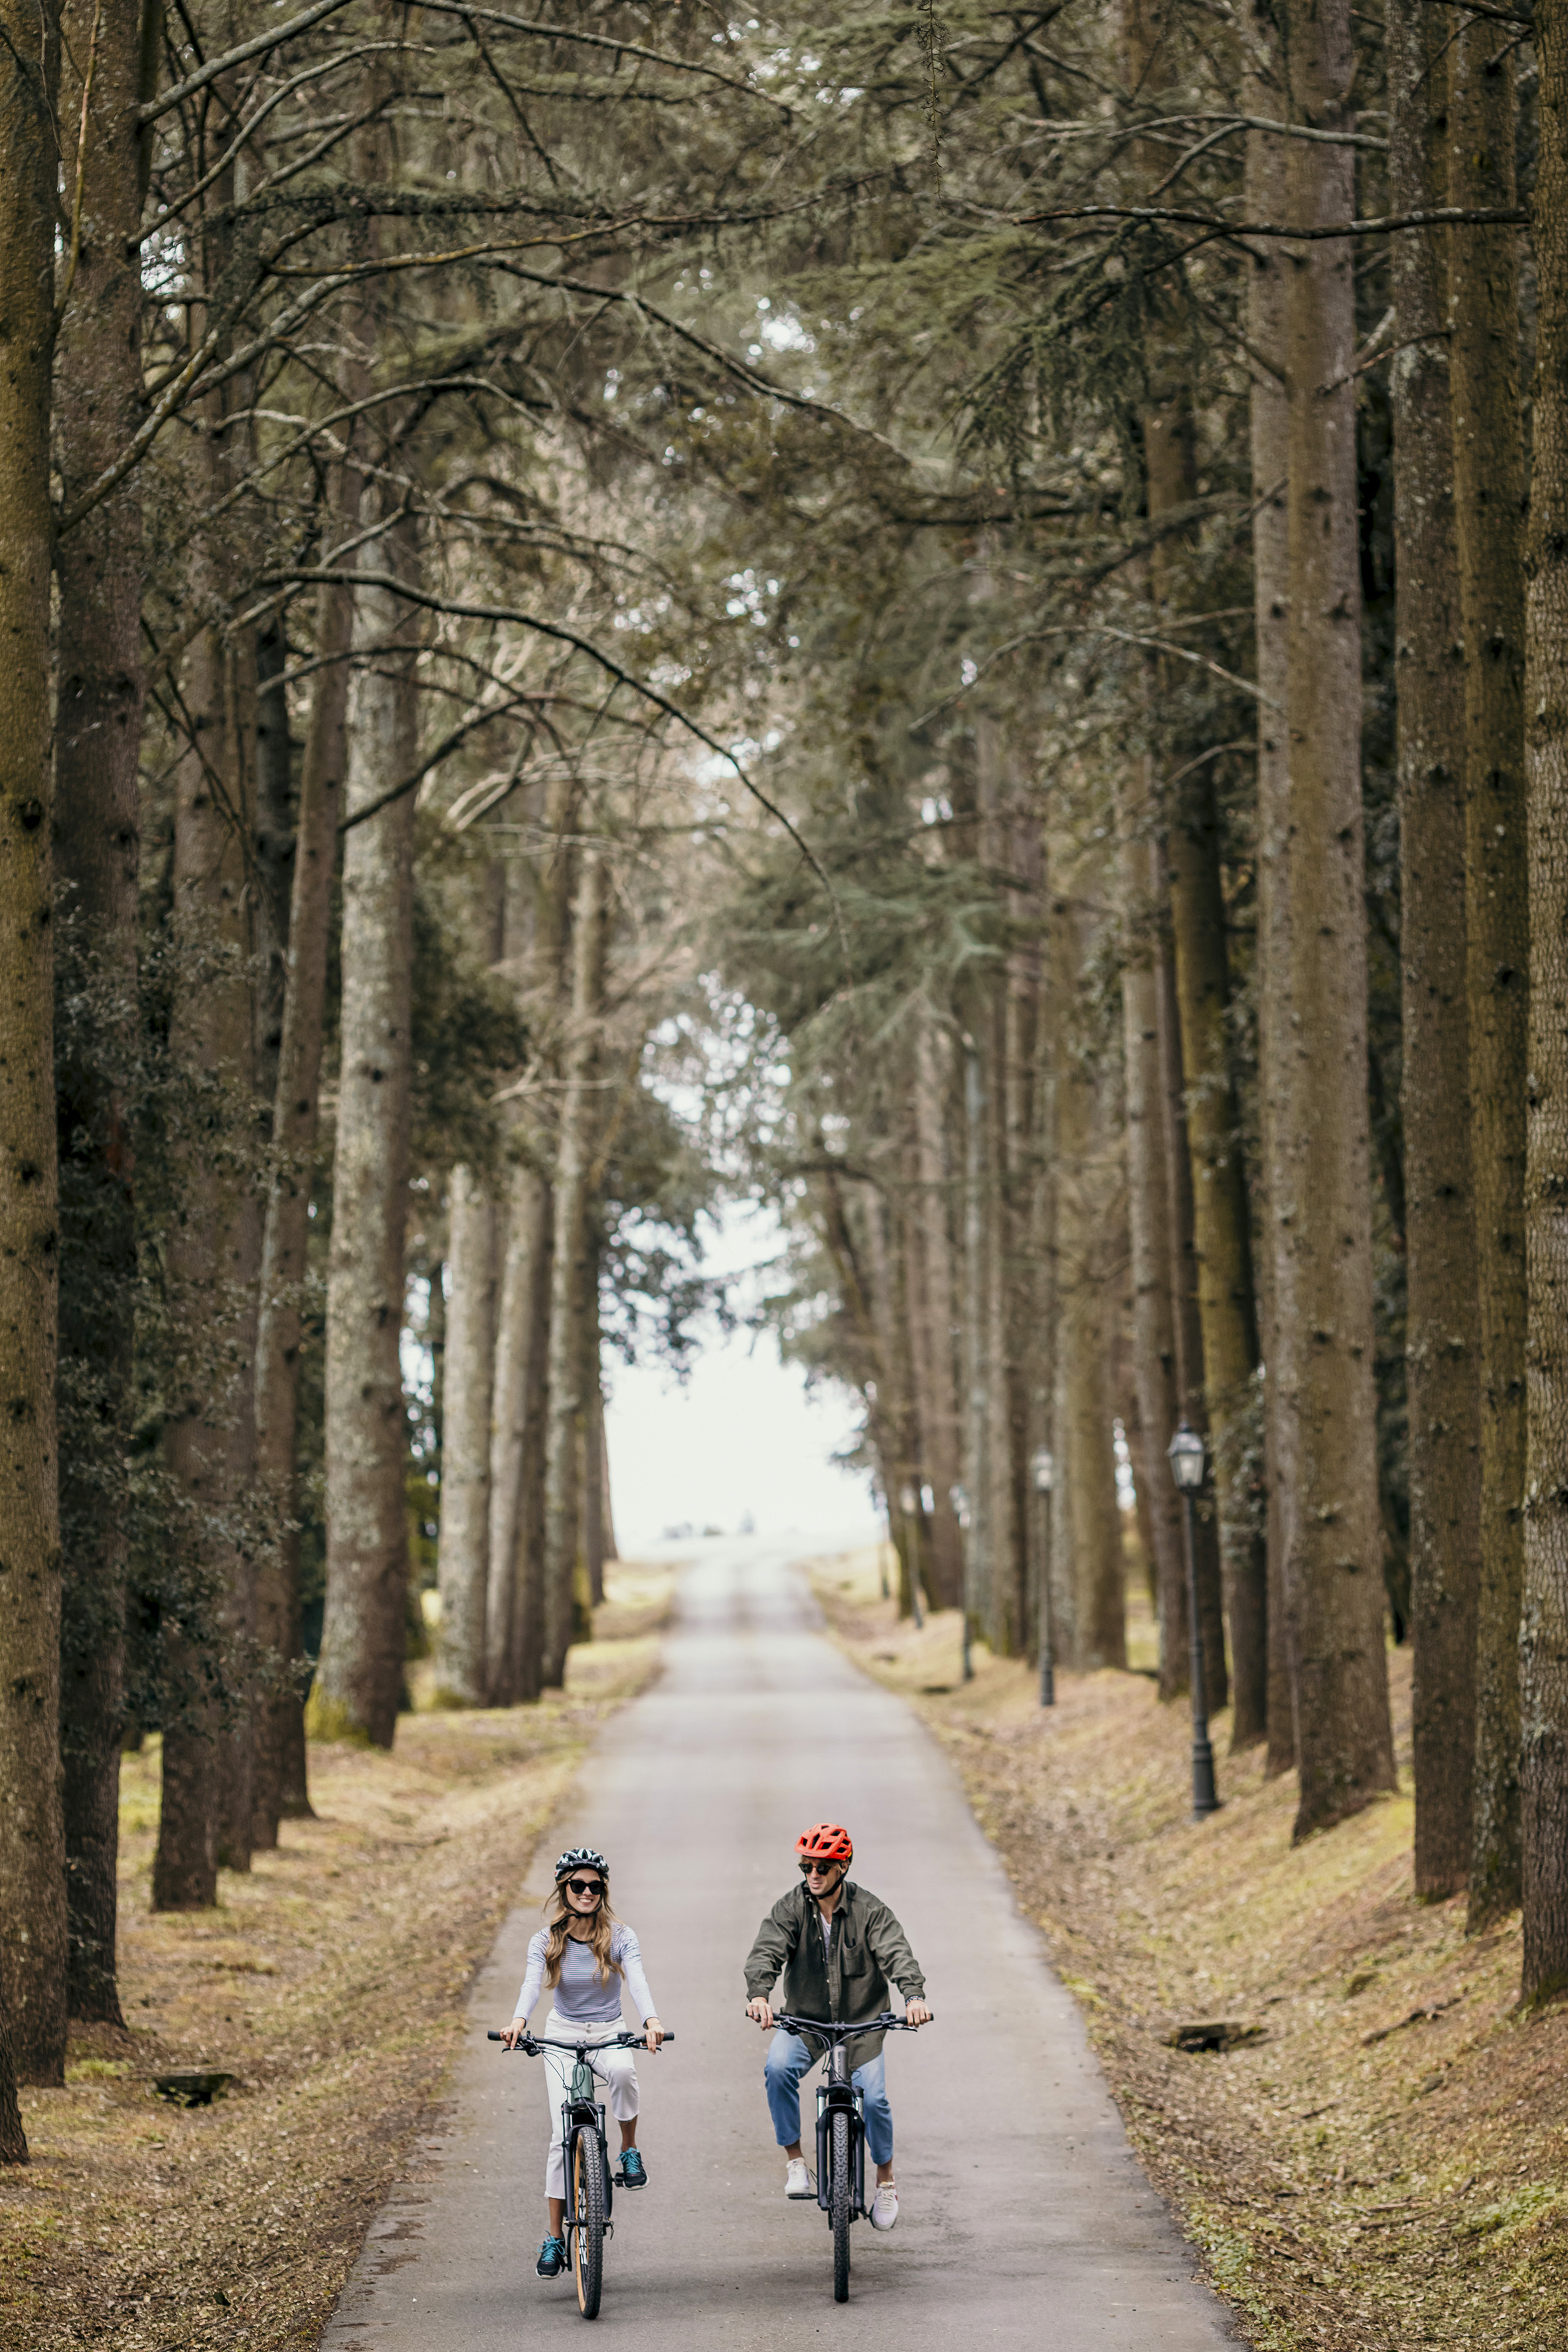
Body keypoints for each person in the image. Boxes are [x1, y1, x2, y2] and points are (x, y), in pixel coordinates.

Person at [744, 1821, 931, 2232]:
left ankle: (885, 2181)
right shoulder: (792, 1907)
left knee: (877, 2099)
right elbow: (767, 1950)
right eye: (806, 1867)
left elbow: (896, 1952)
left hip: (862, 2024)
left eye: (822, 1867)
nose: (813, 1875)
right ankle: (796, 2162)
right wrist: (759, 1995)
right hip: (806, 2021)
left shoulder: (871, 1911)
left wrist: (913, 1997)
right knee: (777, 2069)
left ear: (843, 1866)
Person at [502, 1846, 665, 2280]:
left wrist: (650, 2020)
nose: (587, 1892)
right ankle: (555, 2236)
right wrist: (519, 2021)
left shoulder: (620, 1936)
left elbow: (640, 1980)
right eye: (578, 1885)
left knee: (626, 2072)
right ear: (564, 1889)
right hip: (562, 2035)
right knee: (560, 2137)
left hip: (608, 2030)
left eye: (595, 1885)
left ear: (603, 1890)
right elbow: (530, 1986)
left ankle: (629, 2149)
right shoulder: (546, 1940)